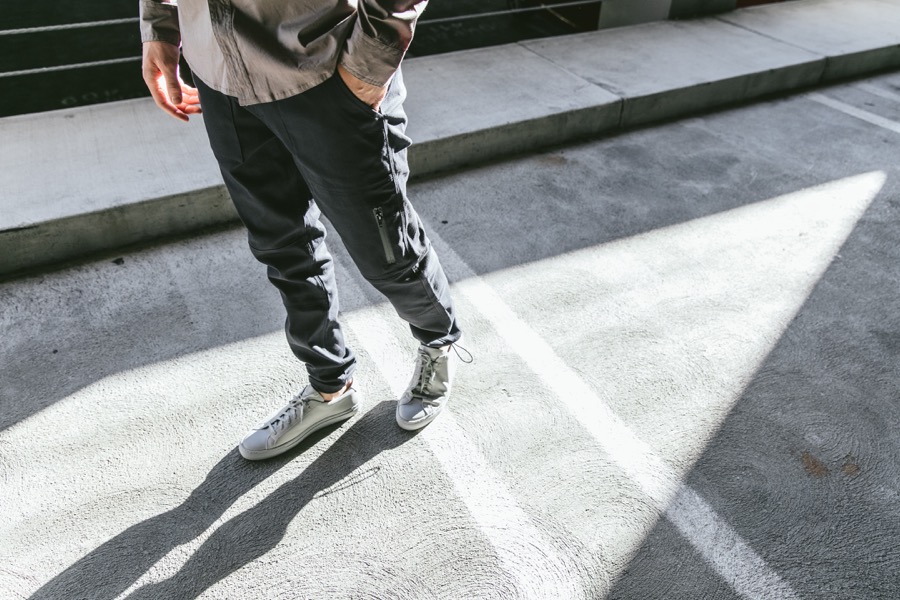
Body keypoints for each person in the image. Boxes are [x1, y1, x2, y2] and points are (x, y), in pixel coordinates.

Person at [139, 0, 465, 460]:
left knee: (384, 247)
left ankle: (437, 340)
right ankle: (331, 386)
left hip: (323, 68)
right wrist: (159, 25)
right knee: (282, 246)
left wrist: (368, 63)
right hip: (220, 75)